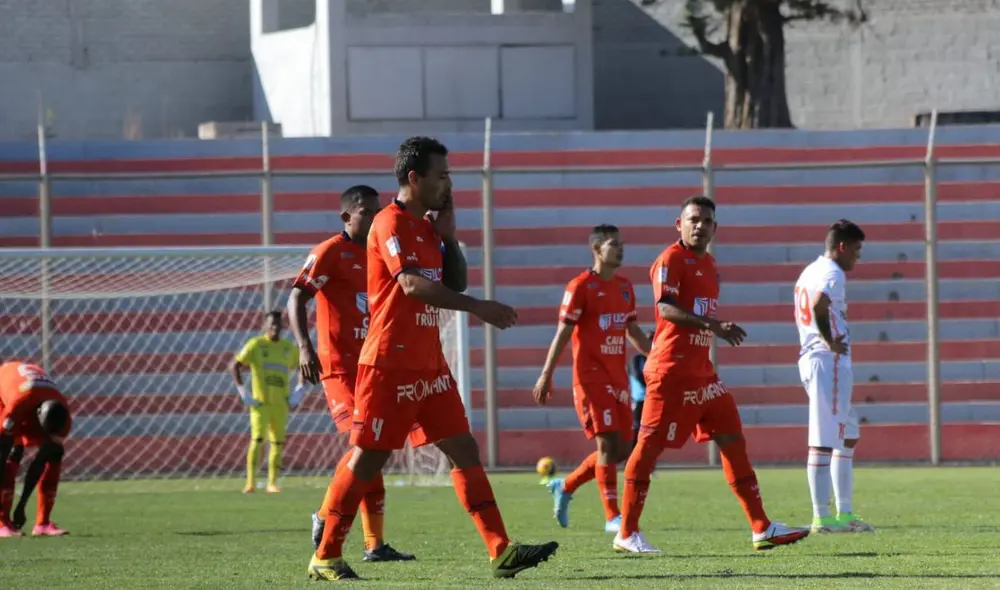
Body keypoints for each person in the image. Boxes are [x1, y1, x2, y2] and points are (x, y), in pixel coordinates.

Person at [307, 136, 558, 581]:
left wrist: (450, 238)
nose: (449, 183)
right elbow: (410, 286)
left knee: (464, 449)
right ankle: (326, 554)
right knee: (369, 458)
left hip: (429, 364)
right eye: (442, 175)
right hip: (388, 363)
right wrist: (481, 307)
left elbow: (454, 282)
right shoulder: (389, 222)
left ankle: (500, 550)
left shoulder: (426, 228)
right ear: (414, 177)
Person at [614, 195, 810, 554]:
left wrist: (712, 329)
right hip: (670, 372)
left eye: (706, 221)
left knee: (732, 438)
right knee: (648, 448)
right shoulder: (670, 259)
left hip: (703, 374)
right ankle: (626, 532)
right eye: (693, 220)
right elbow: (665, 309)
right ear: (679, 224)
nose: (700, 226)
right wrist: (713, 325)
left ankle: (761, 527)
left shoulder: (711, 265)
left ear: (715, 228)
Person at [288, 184, 416, 562]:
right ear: (347, 216)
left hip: (374, 368)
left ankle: (372, 543)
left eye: (380, 212)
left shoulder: (380, 255)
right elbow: (297, 295)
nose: (376, 218)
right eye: (367, 212)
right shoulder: (329, 253)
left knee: (375, 451)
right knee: (365, 447)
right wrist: (304, 347)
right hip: (340, 370)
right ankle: (329, 517)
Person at [533, 225, 651, 534]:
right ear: (596, 249)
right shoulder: (580, 286)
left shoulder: (625, 286)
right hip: (589, 378)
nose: (621, 249)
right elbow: (564, 332)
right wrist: (547, 373)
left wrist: (656, 356)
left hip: (617, 378)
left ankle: (566, 485)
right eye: (614, 245)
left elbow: (633, 331)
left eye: (622, 244)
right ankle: (612, 516)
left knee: (623, 448)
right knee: (607, 443)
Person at [794, 219, 875, 533]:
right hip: (827, 361)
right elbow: (819, 305)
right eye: (856, 250)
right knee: (824, 439)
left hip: (818, 360)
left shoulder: (810, 270)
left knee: (847, 434)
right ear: (841, 246)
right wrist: (829, 340)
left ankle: (845, 514)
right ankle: (822, 518)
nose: (858, 257)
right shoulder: (832, 272)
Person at [230, 311, 304, 494]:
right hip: (260, 404)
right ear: (264, 325)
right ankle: (251, 482)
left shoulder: (288, 348)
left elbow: (303, 365)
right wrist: (242, 391)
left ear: (283, 327)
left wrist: (300, 388)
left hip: (281, 404)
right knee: (257, 440)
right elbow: (235, 365)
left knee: (278, 443)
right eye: (271, 324)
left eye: (278, 325)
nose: (275, 328)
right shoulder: (256, 345)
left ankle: (272, 483)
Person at [0, 361, 72, 538]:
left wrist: (21, 505)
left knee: (54, 454)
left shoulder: (64, 416)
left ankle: (43, 523)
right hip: (5, 398)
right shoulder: (19, 402)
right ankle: (2, 523)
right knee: (11, 452)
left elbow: (40, 461)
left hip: (32, 397)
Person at [628, 330, 654, 449]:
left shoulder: (656, 360)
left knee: (651, 429)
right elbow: (637, 375)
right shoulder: (636, 359)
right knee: (637, 427)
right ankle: (632, 455)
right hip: (640, 398)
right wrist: (653, 384)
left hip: (653, 399)